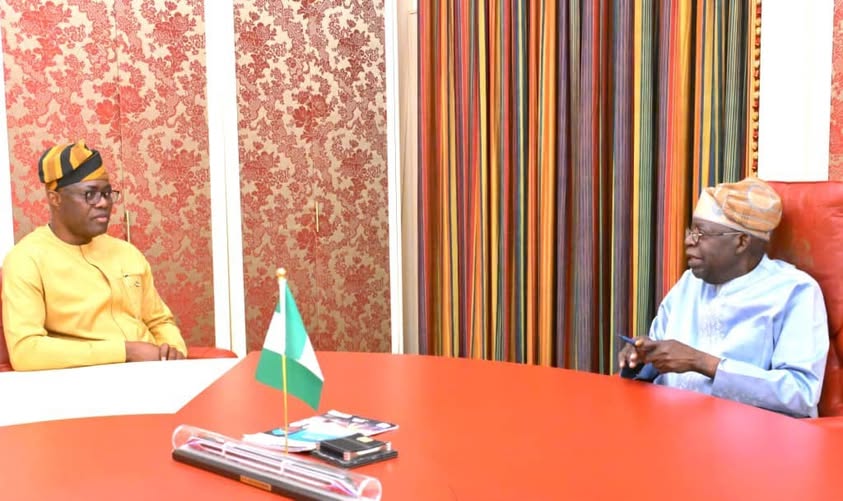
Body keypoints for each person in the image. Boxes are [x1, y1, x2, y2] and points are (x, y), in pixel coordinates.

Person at [619, 176, 829, 418]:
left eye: (701, 233)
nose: (688, 241)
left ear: (741, 241)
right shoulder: (690, 282)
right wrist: (641, 359)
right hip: (670, 422)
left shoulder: (794, 291)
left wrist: (702, 362)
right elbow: (660, 357)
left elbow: (801, 393)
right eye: (691, 230)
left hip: (749, 434)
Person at [1, 140, 187, 370]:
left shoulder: (127, 252)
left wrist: (172, 351)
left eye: (107, 193)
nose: (104, 203)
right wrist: (126, 352)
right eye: (90, 194)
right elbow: (26, 351)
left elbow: (160, 321)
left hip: (157, 373)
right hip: (86, 381)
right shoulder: (26, 259)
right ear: (55, 198)